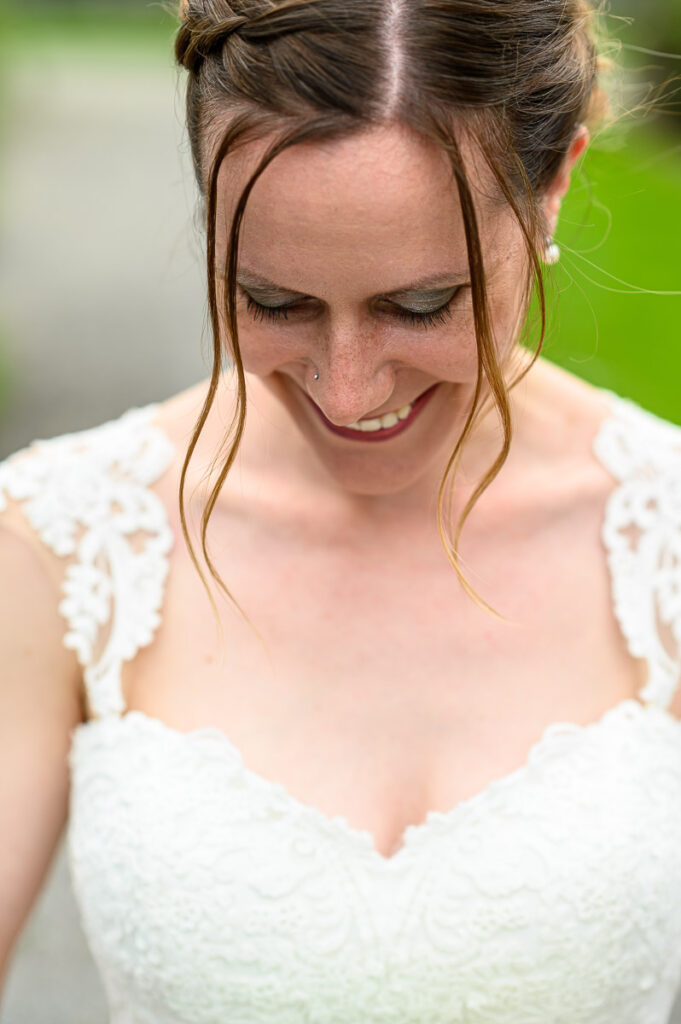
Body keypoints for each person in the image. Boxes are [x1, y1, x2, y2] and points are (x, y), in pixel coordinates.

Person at [2, 0, 681, 1019]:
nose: (351, 389)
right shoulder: (56, 539)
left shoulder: (661, 527)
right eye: (273, 301)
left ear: (554, 186)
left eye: (420, 305)